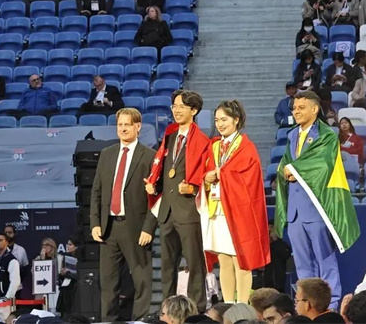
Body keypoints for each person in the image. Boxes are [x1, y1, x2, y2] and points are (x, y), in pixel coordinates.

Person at [274, 91, 360, 310]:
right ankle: (306, 305)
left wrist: (294, 170)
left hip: (316, 207)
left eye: (301, 107)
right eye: (294, 108)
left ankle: (331, 305)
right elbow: (285, 163)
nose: (296, 112)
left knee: (325, 260)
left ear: (314, 109)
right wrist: (285, 171)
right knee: (302, 263)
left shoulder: (327, 135)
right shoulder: (292, 135)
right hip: (295, 211)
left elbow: (322, 164)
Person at [145, 90, 211, 312]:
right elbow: (164, 172)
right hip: (167, 211)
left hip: (189, 210)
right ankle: (167, 310)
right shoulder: (169, 137)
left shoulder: (202, 141)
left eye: (182, 106)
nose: (176, 110)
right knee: (167, 266)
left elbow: (206, 175)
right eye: (174, 106)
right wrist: (154, 186)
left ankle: (196, 310)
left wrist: (193, 188)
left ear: (194, 110)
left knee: (195, 264)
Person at [200, 100, 270, 304]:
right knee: (223, 260)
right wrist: (206, 178)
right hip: (217, 209)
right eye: (217, 120)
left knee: (241, 260)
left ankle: (243, 305)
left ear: (236, 120)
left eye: (224, 119)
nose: (220, 124)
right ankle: (228, 304)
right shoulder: (214, 146)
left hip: (239, 211)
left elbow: (250, 179)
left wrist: (222, 175)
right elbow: (205, 171)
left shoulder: (246, 147)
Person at [90, 107, 157, 321]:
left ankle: (139, 321)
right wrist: (95, 223)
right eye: (120, 124)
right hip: (109, 228)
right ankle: (108, 321)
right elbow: (97, 191)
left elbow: (156, 197)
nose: (123, 128)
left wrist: (148, 228)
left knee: (142, 281)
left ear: (138, 127)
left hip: (136, 229)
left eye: (127, 124)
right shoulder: (107, 154)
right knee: (108, 283)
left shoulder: (150, 156)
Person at [56, 237, 80, 316]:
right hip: (66, 288)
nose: (68, 247)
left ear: (76, 246)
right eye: (67, 244)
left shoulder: (81, 258)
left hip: (75, 289)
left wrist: (68, 273)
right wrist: (62, 273)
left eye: (70, 245)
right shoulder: (65, 257)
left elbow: (80, 275)